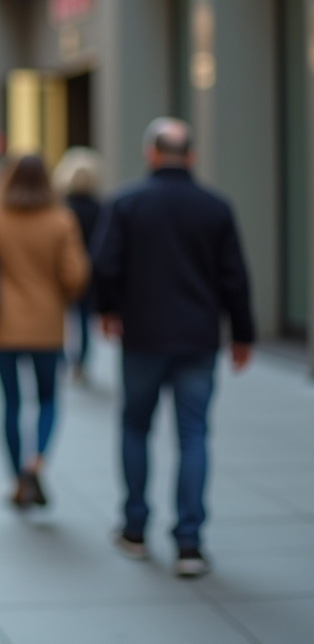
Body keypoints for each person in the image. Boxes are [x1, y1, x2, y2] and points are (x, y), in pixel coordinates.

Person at [92, 117, 254, 578]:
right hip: (199, 339)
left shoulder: (127, 203)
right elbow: (234, 278)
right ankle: (189, 544)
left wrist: (108, 310)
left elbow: (104, 266)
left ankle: (135, 530)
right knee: (195, 435)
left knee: (135, 428)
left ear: (151, 153)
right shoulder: (215, 207)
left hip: (142, 337)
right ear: (192, 155)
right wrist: (243, 334)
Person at [0, 154, 89, 508]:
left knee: (11, 403)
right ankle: (36, 461)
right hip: (47, 327)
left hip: (1, 328)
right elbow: (75, 276)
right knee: (47, 398)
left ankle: (15, 480)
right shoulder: (61, 220)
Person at [53, 147, 103, 383]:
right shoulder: (100, 208)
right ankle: (80, 363)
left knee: (61, 317)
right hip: (89, 271)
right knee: (83, 320)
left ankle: (62, 359)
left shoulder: (61, 208)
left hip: (62, 270)